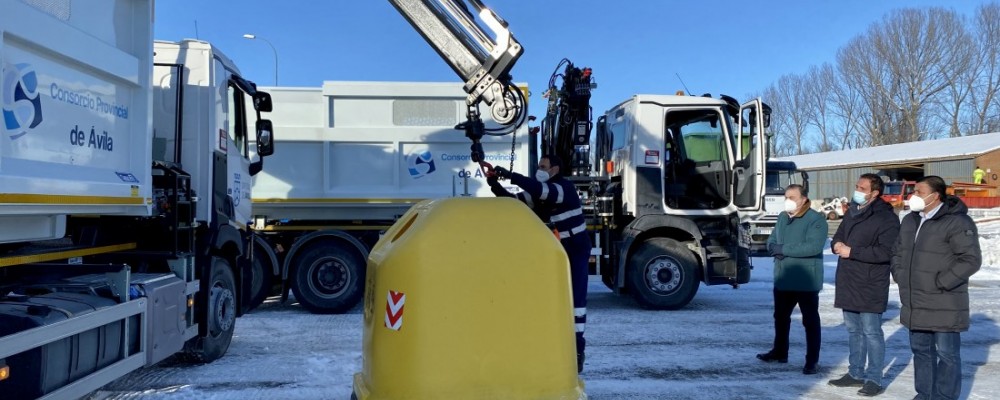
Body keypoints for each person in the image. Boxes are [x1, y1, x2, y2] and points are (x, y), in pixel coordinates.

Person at [487, 155, 591, 373]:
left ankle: (578, 350)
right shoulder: (540, 191)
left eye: (543, 167)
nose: (539, 169)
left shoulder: (563, 188)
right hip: (559, 247)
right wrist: (495, 184)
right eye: (538, 166)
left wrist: (510, 175)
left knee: (577, 301)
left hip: (577, 247)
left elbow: (542, 191)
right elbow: (514, 204)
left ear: (555, 168)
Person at [891, 176, 981, 400]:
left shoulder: (957, 222)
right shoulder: (910, 220)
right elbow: (898, 251)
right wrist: (901, 275)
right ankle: (924, 394)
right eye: (914, 191)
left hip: (944, 302)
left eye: (919, 192)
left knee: (947, 354)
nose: (914, 196)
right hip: (914, 301)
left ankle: (944, 397)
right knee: (921, 352)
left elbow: (970, 259)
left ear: (935, 196)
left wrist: (942, 282)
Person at [827, 174, 900, 397]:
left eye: (862, 187)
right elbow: (838, 235)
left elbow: (887, 252)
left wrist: (853, 252)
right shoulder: (852, 211)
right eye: (857, 186)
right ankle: (855, 372)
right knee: (853, 330)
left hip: (870, 282)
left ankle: (874, 378)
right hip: (848, 279)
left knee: (871, 332)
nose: (857, 190)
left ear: (875, 193)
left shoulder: (886, 218)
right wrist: (837, 244)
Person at [756, 184, 828, 375]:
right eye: (786, 196)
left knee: (810, 321)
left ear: (804, 199)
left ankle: (812, 360)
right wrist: (772, 247)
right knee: (780, 318)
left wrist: (783, 249)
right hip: (783, 277)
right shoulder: (782, 217)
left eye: (792, 197)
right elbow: (772, 239)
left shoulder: (816, 220)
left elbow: (813, 247)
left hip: (805, 281)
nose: (788, 200)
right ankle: (780, 351)